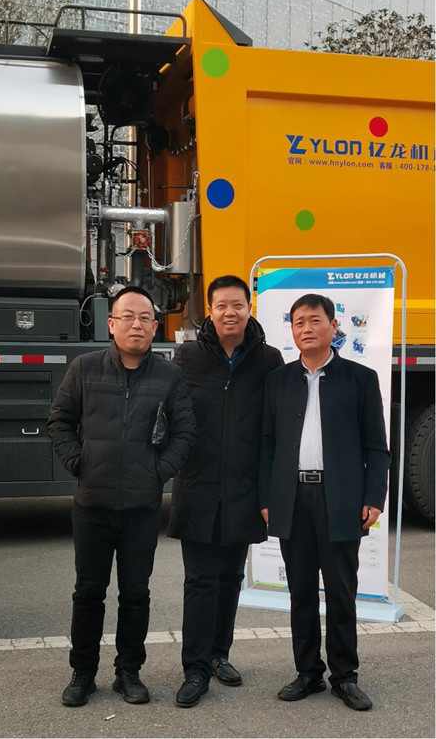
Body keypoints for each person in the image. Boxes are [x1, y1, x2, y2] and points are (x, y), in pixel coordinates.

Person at [48, 286, 196, 707]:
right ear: (111, 324)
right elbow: (59, 421)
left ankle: (128, 672)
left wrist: (157, 473)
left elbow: (186, 432)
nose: (136, 324)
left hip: (141, 506)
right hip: (91, 504)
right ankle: (82, 673)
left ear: (155, 326)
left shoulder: (168, 376)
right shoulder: (85, 368)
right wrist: (79, 463)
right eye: (127, 316)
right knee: (88, 592)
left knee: (135, 593)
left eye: (145, 317)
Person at [260, 293, 390, 711]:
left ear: (334, 326)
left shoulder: (360, 378)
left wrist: (373, 497)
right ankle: (308, 673)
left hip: (341, 500)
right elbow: (266, 445)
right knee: (299, 591)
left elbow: (377, 448)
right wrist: (267, 497)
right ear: (292, 330)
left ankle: (345, 676)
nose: (306, 328)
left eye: (315, 320)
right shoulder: (278, 381)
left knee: (340, 592)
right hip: (292, 497)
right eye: (298, 322)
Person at [168, 275, 284, 707]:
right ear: (210, 311)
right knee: (200, 581)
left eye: (237, 305)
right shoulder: (187, 357)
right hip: (198, 485)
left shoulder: (268, 360)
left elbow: (275, 426)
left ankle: (220, 654)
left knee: (231, 578)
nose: (229, 313)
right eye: (221, 306)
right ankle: (195, 670)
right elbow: (169, 416)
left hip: (244, 489)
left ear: (249, 309)